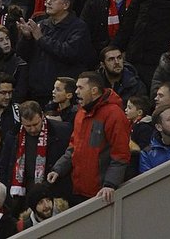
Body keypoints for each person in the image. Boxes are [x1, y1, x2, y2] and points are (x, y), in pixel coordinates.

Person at [46, 71, 130, 204]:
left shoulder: (114, 115)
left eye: (80, 88)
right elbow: (74, 146)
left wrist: (110, 184)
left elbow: (120, 154)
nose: (76, 91)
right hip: (79, 189)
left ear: (94, 90)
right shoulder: (81, 112)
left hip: (101, 194)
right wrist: (59, 169)